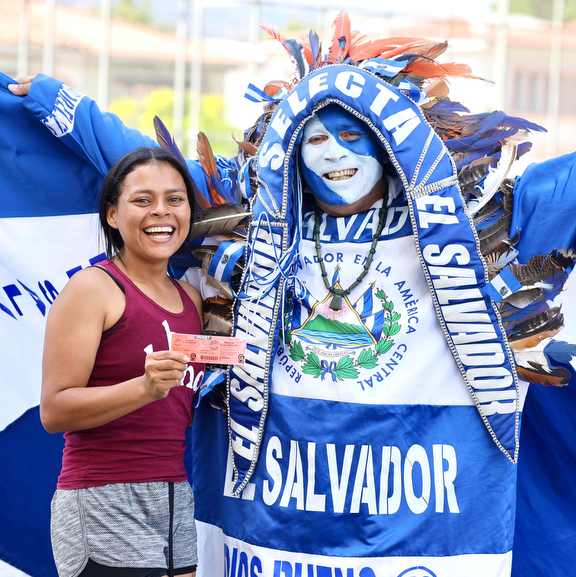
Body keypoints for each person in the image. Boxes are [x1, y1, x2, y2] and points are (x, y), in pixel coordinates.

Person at [5, 13, 576, 577]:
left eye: (353, 136)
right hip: (254, 530)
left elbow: (564, 190)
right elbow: (153, 179)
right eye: (318, 139)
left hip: (420, 532)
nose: (334, 155)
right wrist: (65, 108)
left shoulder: (475, 220)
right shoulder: (249, 214)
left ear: (390, 140)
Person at [41, 147, 204, 577]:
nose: (161, 213)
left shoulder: (192, 299)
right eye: (142, 200)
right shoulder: (93, 289)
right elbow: (54, 410)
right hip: (103, 498)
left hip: (176, 498)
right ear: (113, 214)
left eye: (174, 199)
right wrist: (143, 388)